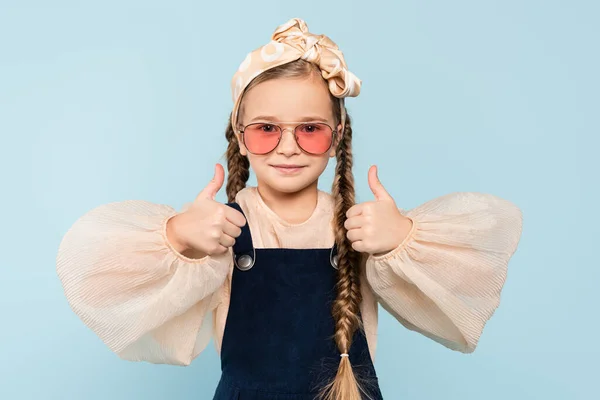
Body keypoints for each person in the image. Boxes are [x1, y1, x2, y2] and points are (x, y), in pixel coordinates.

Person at [56, 17, 523, 400]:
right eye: (265, 129)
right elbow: (98, 280)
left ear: (337, 137)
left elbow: (461, 303)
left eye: (310, 129)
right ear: (240, 136)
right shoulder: (221, 229)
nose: (288, 147)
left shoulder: (361, 228)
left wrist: (401, 240)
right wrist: (178, 236)